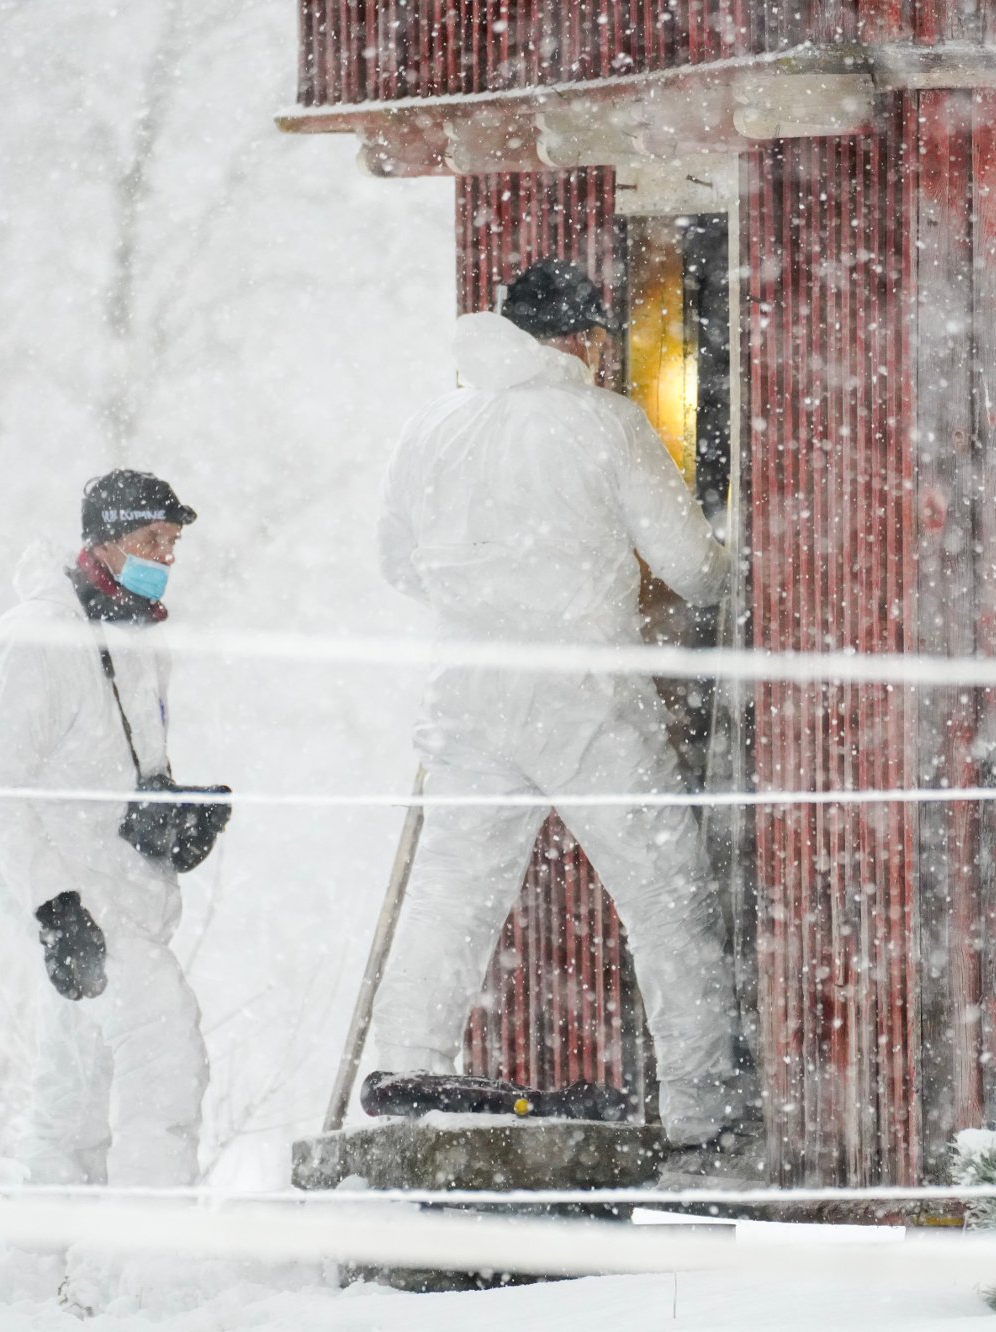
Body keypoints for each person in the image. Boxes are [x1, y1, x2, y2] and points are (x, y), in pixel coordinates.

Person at [371, 258, 747, 1156]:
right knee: (665, 899)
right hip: (583, 698)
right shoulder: (606, 425)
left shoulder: (433, 428)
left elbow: (397, 563)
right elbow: (695, 568)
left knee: (450, 900)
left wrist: (488, 595)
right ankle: (701, 1119)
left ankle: (404, 1081)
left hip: (468, 696)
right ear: (580, 339)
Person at [0, 469, 224, 1189]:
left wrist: (172, 818)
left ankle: (38, 1273)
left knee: (74, 1101)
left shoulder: (137, 641)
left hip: (123, 898)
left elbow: (110, 779)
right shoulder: (38, 641)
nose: (165, 557)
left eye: (172, 542)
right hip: (76, 903)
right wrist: (55, 908)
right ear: (103, 543)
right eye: (150, 539)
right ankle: (151, 1261)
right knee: (165, 1047)